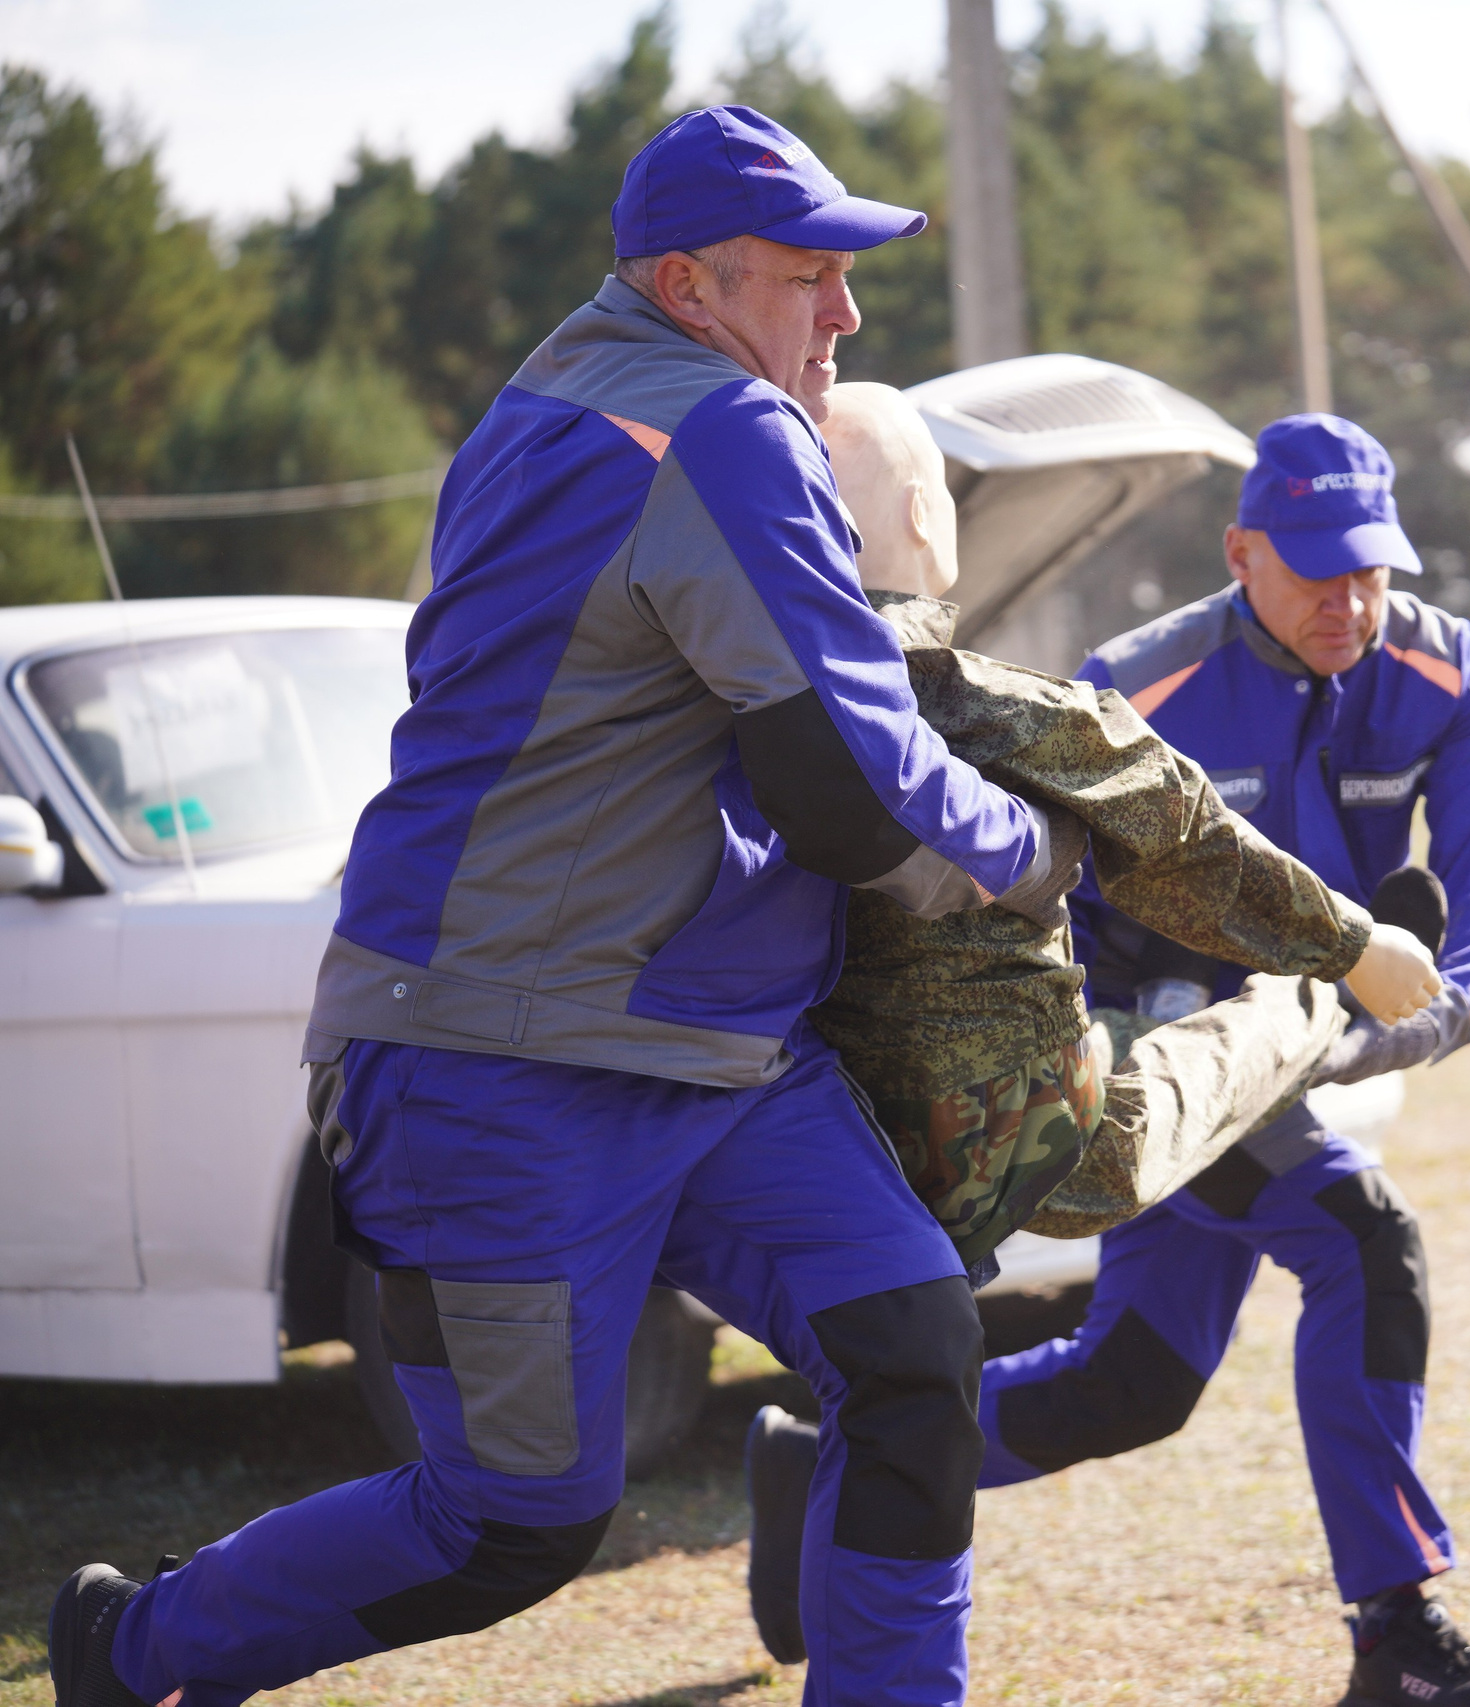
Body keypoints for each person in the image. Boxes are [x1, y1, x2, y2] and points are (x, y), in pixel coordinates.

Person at [47, 106, 1071, 1707]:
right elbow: (853, 790)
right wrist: (1034, 851)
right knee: (511, 1518)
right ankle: (136, 1650)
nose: (847, 317)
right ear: (687, 284)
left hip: (712, 1042)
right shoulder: (718, 430)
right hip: (500, 1058)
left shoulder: (545, 396)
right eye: (811, 276)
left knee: (913, 1351)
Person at [733, 385, 1446, 1662]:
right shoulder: (1001, 706)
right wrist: (1353, 950)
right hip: (1030, 1135)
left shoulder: (721, 715)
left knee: (1094, 1389)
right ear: (923, 523)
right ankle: (1399, 1626)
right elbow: (1192, 849)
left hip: (830, 1149)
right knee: (1273, 1183)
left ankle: (802, 1483)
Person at [990, 414, 1470, 1707]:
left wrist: (1459, 996)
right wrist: (1112, 1065)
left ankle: (836, 1460)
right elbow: (1043, 911)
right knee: (1365, 1242)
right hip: (1156, 1053)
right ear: (1242, 551)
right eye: (1316, 570)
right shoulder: (1134, 687)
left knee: (1131, 1383)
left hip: (1306, 1044)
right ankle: (1396, 1638)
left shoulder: (1447, 671)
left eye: (1373, 569)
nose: (1351, 601)